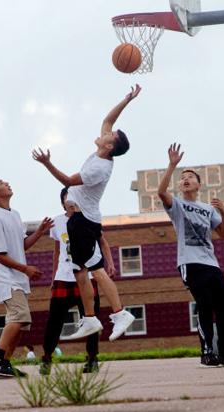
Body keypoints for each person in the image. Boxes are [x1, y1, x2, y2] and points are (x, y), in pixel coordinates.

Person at [31, 85, 142, 343]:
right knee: (79, 270)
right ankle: (90, 319)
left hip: (84, 222)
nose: (106, 132)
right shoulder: (102, 148)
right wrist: (126, 99)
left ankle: (120, 313)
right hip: (78, 221)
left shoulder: (100, 168)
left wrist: (47, 163)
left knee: (96, 270)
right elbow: (108, 119)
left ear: (111, 145)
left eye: (111, 134)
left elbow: (69, 180)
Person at [157, 143, 224, 367]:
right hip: (190, 263)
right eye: (182, 177)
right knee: (204, 304)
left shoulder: (207, 208)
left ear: (198, 185)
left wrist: (222, 211)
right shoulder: (177, 205)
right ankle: (206, 352)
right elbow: (161, 192)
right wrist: (172, 165)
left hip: (211, 264)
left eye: (190, 176)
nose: (185, 179)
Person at [0, 177, 53, 378]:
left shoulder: (15, 215)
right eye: (2, 183)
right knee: (19, 317)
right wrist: (25, 268)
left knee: (22, 324)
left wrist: (39, 232)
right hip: (6, 278)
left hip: (18, 279)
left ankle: (4, 365)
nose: (8, 184)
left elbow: (21, 245)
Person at [43, 187, 115, 375]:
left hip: (87, 276)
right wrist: (53, 277)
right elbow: (57, 251)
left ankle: (92, 359)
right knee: (54, 321)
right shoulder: (58, 222)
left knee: (90, 318)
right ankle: (47, 357)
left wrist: (110, 263)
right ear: (63, 200)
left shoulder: (89, 218)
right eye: (69, 196)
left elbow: (102, 242)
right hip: (63, 277)